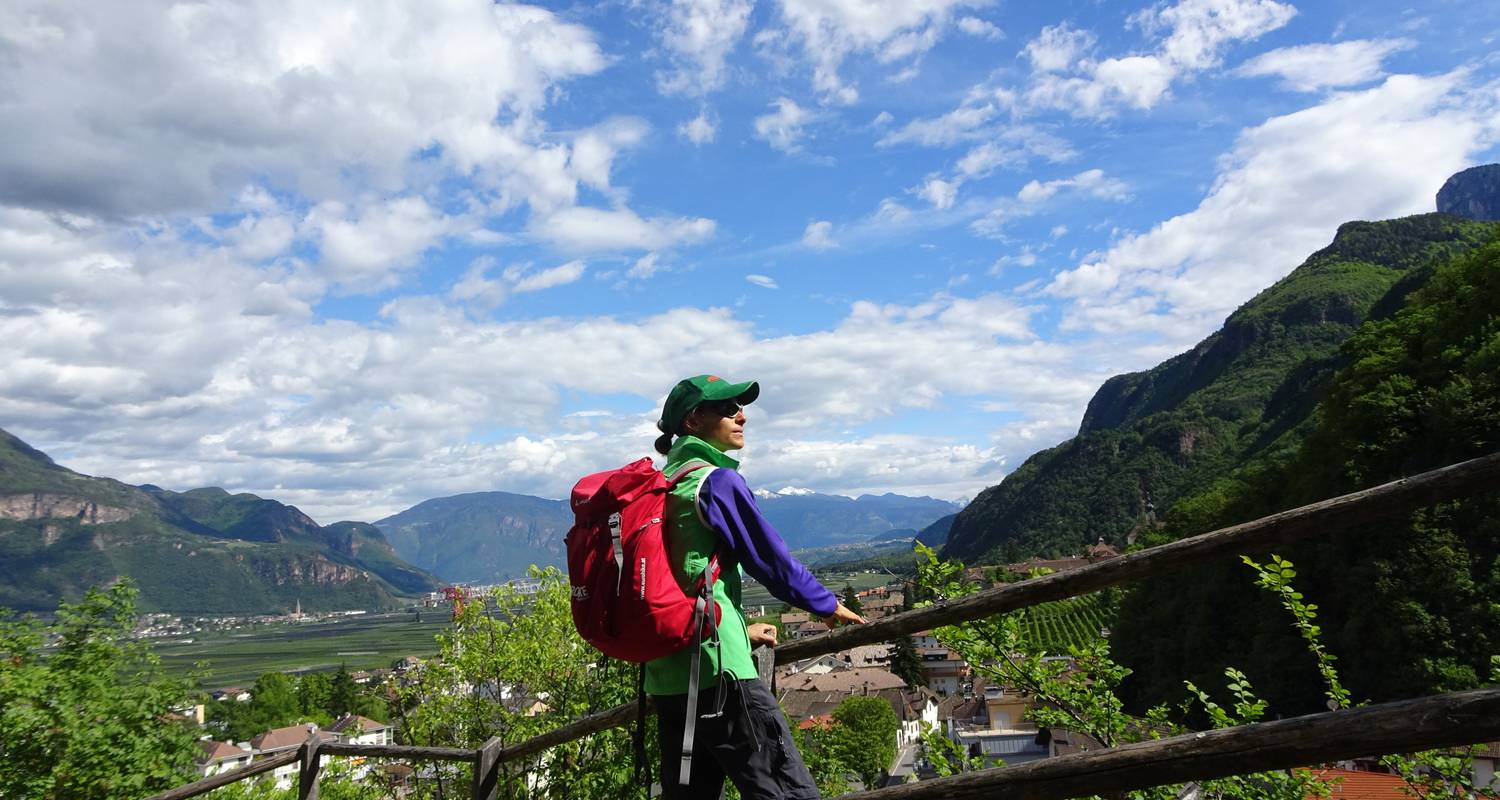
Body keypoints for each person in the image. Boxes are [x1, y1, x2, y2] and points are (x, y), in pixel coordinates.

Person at [648, 374, 865, 800]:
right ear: (694, 420)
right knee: (788, 792)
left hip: (667, 675)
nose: (741, 415)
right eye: (728, 408)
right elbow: (770, 560)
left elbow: (676, 578)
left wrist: (739, 629)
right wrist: (826, 605)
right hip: (720, 672)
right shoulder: (714, 482)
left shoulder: (661, 484)